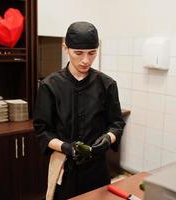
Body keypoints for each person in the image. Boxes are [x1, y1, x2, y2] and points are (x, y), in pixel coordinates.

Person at [33, 21, 125, 200]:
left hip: (97, 170)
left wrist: (107, 139)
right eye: (79, 53)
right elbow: (42, 131)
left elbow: (117, 124)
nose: (86, 60)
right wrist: (66, 147)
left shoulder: (107, 85)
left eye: (92, 53)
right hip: (64, 168)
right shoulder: (50, 85)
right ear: (65, 47)